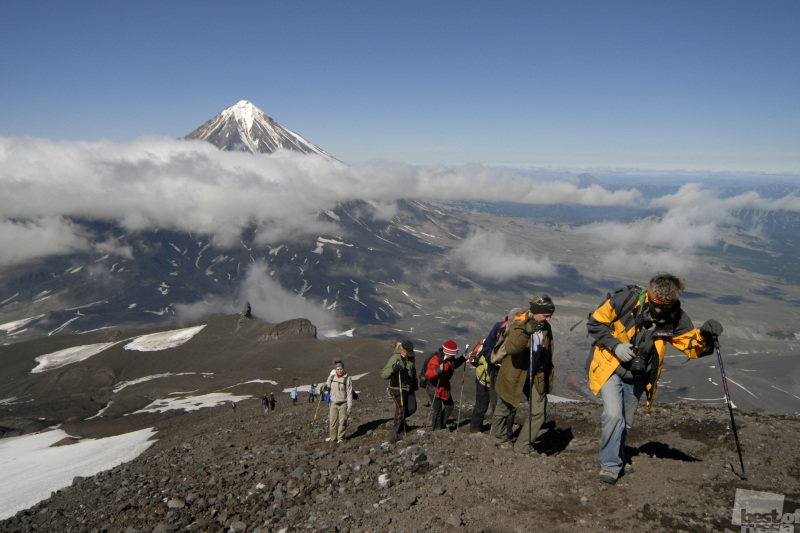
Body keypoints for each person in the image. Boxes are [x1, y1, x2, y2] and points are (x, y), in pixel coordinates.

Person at [587, 273, 723, 484]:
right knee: (614, 416)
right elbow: (595, 322)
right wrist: (616, 346)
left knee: (626, 421)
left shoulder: (675, 316)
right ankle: (610, 465)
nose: (658, 310)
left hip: (640, 375)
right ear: (649, 293)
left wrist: (705, 335)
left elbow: (690, 347)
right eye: (656, 304)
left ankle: (620, 455)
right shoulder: (625, 300)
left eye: (665, 306)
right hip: (610, 367)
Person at [491, 296, 555, 455]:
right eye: (545, 315)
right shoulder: (518, 323)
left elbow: (549, 349)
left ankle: (523, 445)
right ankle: (499, 438)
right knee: (505, 406)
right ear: (535, 312)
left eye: (549, 315)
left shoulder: (546, 327)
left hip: (536, 374)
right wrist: (526, 333)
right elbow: (512, 349)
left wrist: (547, 373)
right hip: (514, 372)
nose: (548, 318)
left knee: (541, 409)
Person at [470, 308, 522, 434]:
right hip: (491, 374)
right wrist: (493, 360)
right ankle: (495, 432)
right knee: (491, 404)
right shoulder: (499, 329)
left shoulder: (520, 333)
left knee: (507, 405)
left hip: (504, 373)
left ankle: (503, 433)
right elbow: (487, 347)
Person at [380, 340, 418, 442]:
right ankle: (395, 432)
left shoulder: (411, 357)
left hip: (408, 387)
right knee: (401, 409)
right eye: (407, 353)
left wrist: (415, 383)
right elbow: (383, 374)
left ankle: (401, 422)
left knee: (412, 408)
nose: (409, 355)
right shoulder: (395, 358)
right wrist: (393, 369)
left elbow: (413, 371)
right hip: (397, 388)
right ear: (402, 350)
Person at [425, 340, 466, 430]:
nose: (455, 355)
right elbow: (428, 374)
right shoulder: (436, 359)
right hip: (434, 388)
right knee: (438, 410)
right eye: (454, 353)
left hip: (444, 387)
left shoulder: (449, 359)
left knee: (449, 406)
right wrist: (438, 370)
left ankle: (441, 426)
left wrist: (462, 359)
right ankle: (437, 429)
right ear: (449, 352)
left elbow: (453, 365)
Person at [325, 359, 354, 443]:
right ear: (335, 369)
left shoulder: (347, 378)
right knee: (332, 421)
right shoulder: (332, 377)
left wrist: (349, 406)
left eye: (341, 369)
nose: (340, 371)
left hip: (343, 403)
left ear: (343, 369)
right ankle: (332, 437)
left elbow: (349, 393)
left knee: (343, 421)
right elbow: (327, 386)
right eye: (338, 369)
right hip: (333, 402)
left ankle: (340, 437)